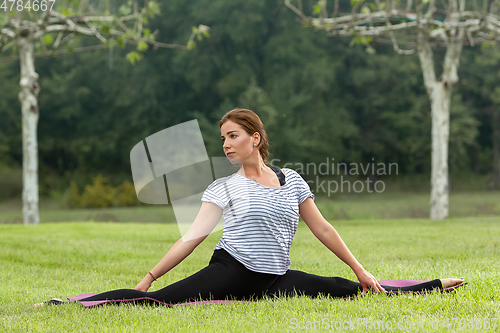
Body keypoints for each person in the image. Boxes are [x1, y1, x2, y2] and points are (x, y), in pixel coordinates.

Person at [36, 108, 463, 307]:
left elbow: (324, 229)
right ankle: (67, 305)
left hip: (274, 277)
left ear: (255, 138)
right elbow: (192, 237)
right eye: (222, 138)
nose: (225, 144)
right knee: (159, 301)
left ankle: (429, 285)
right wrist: (148, 276)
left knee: (347, 289)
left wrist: (361, 269)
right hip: (231, 270)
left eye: (233, 135)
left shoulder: (291, 180)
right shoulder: (223, 187)